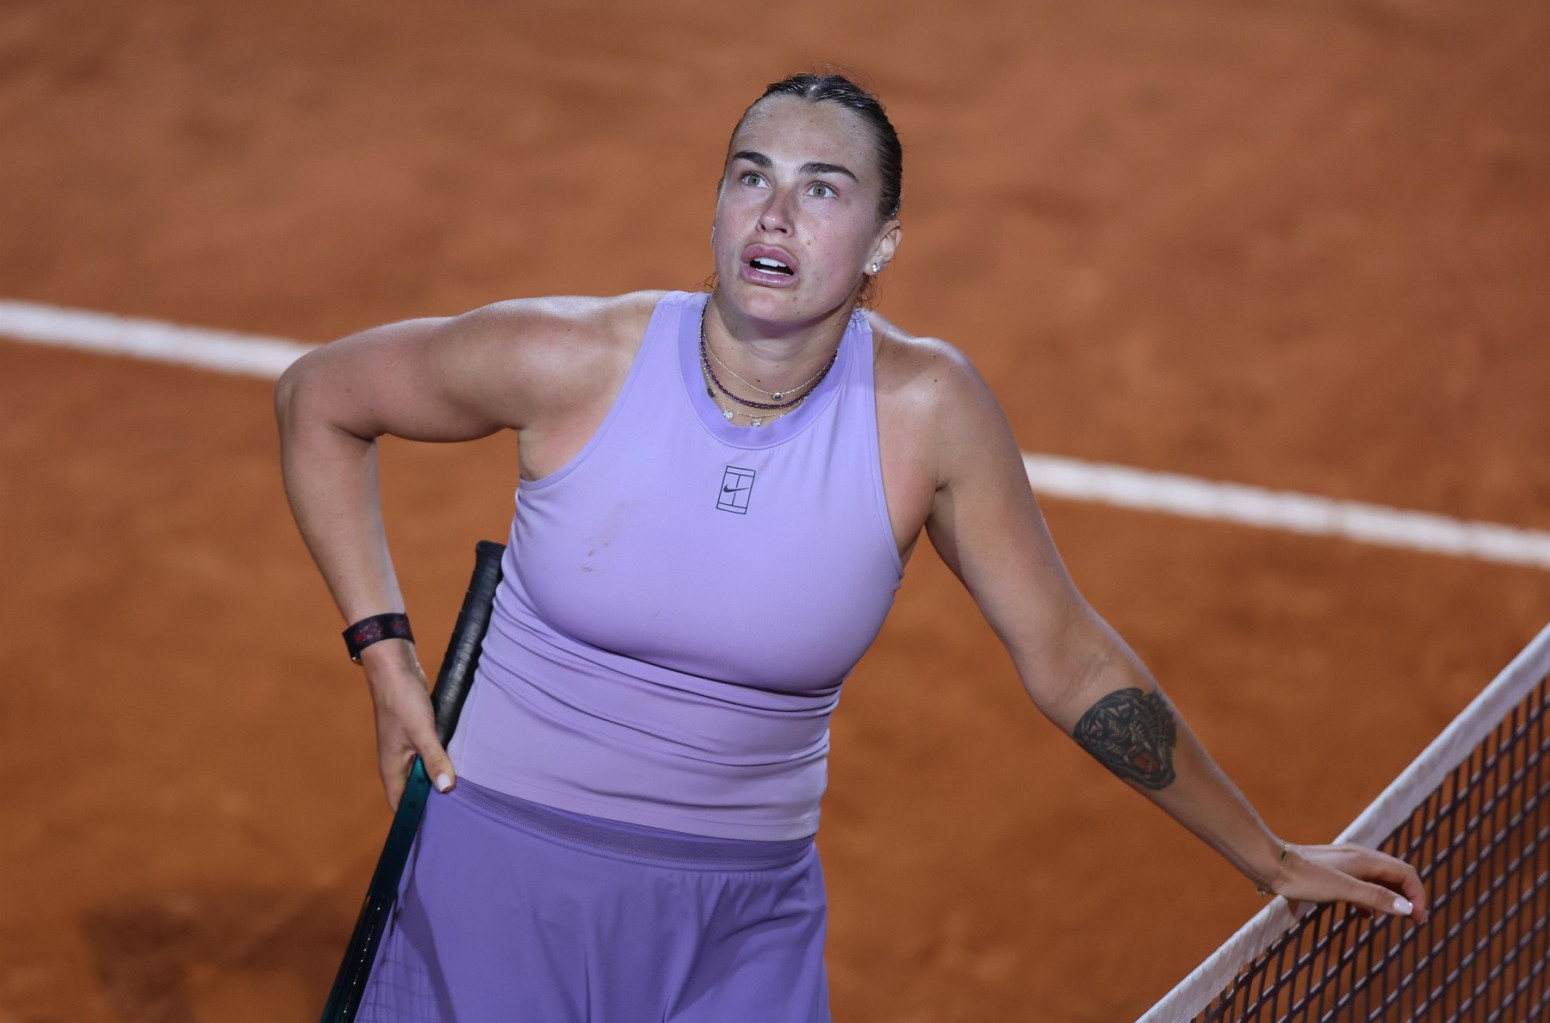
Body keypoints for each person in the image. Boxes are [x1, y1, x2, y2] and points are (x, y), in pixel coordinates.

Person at [276, 72, 1427, 1022]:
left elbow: (1069, 658)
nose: (773, 214)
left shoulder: (925, 413)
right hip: (498, 886)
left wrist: (1267, 856)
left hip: (740, 929)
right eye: (750, 176)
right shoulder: (571, 359)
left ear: (881, 242)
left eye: (819, 189)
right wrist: (385, 657)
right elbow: (319, 398)